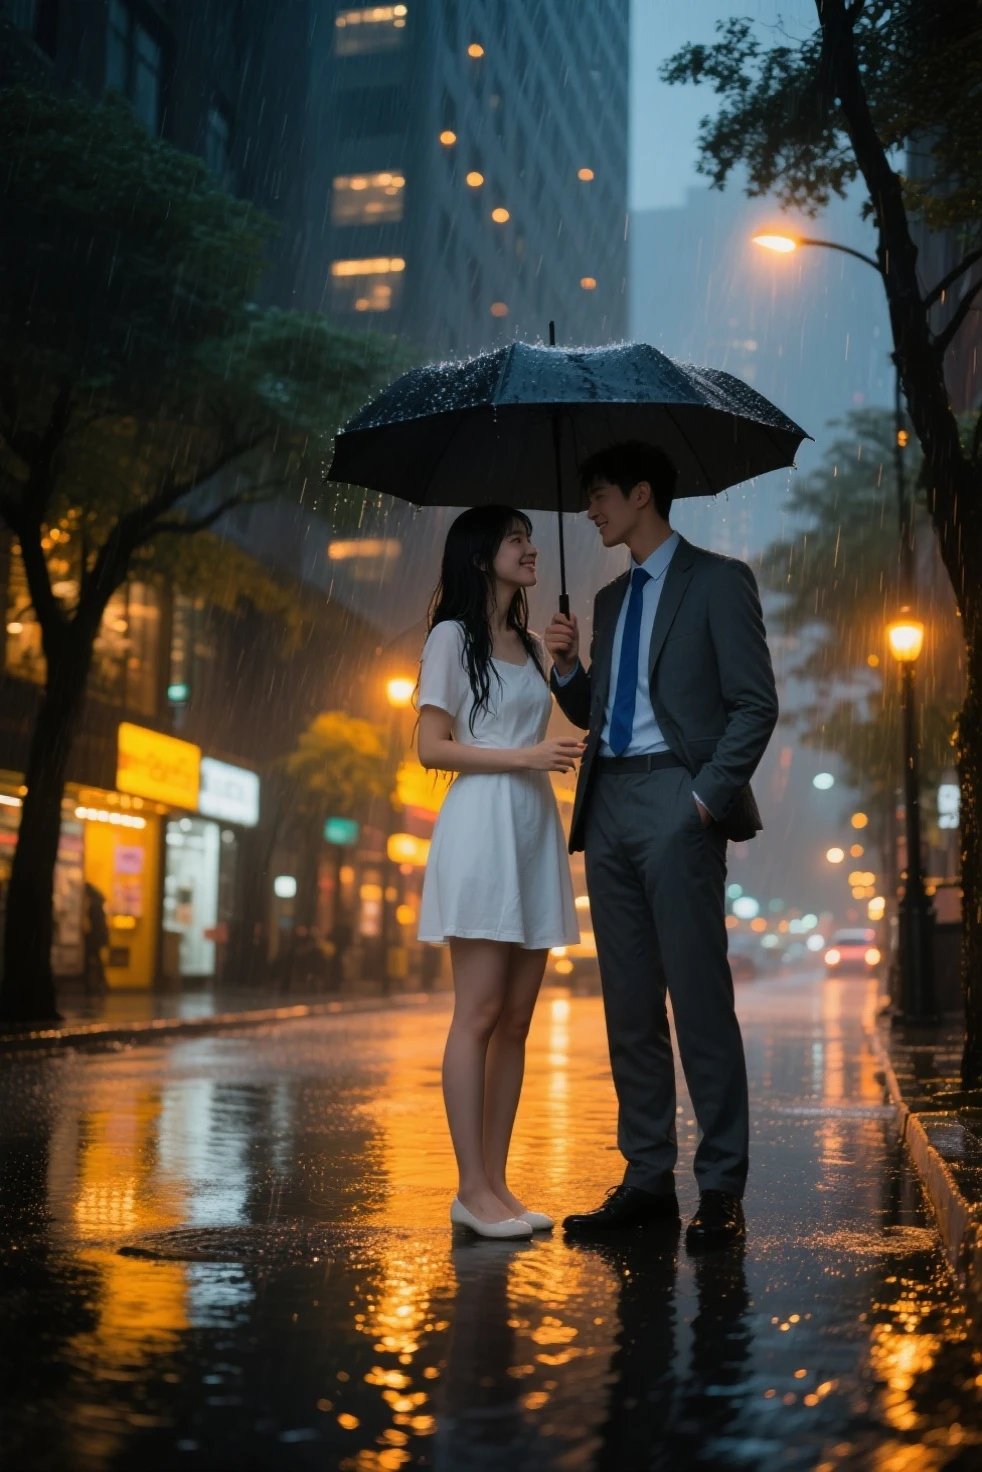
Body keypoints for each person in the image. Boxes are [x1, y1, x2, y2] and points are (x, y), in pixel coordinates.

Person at [544, 441, 778, 1249]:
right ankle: (647, 1179)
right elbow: (598, 714)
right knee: (629, 1007)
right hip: (607, 804)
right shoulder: (608, 603)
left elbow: (755, 705)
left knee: (700, 999)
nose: (591, 511)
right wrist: (569, 671)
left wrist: (703, 802)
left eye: (601, 494)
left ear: (643, 494)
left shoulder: (719, 581)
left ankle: (720, 1190)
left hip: (678, 802)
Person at [417, 505, 583, 1240]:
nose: (530, 549)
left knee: (516, 1021)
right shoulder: (451, 638)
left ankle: (498, 1185)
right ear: (482, 556)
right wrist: (523, 757)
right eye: (516, 539)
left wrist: (568, 660)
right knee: (478, 1014)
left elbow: (582, 708)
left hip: (531, 827)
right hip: (483, 824)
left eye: (531, 538)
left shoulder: (530, 639)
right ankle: (469, 1188)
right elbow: (431, 747)